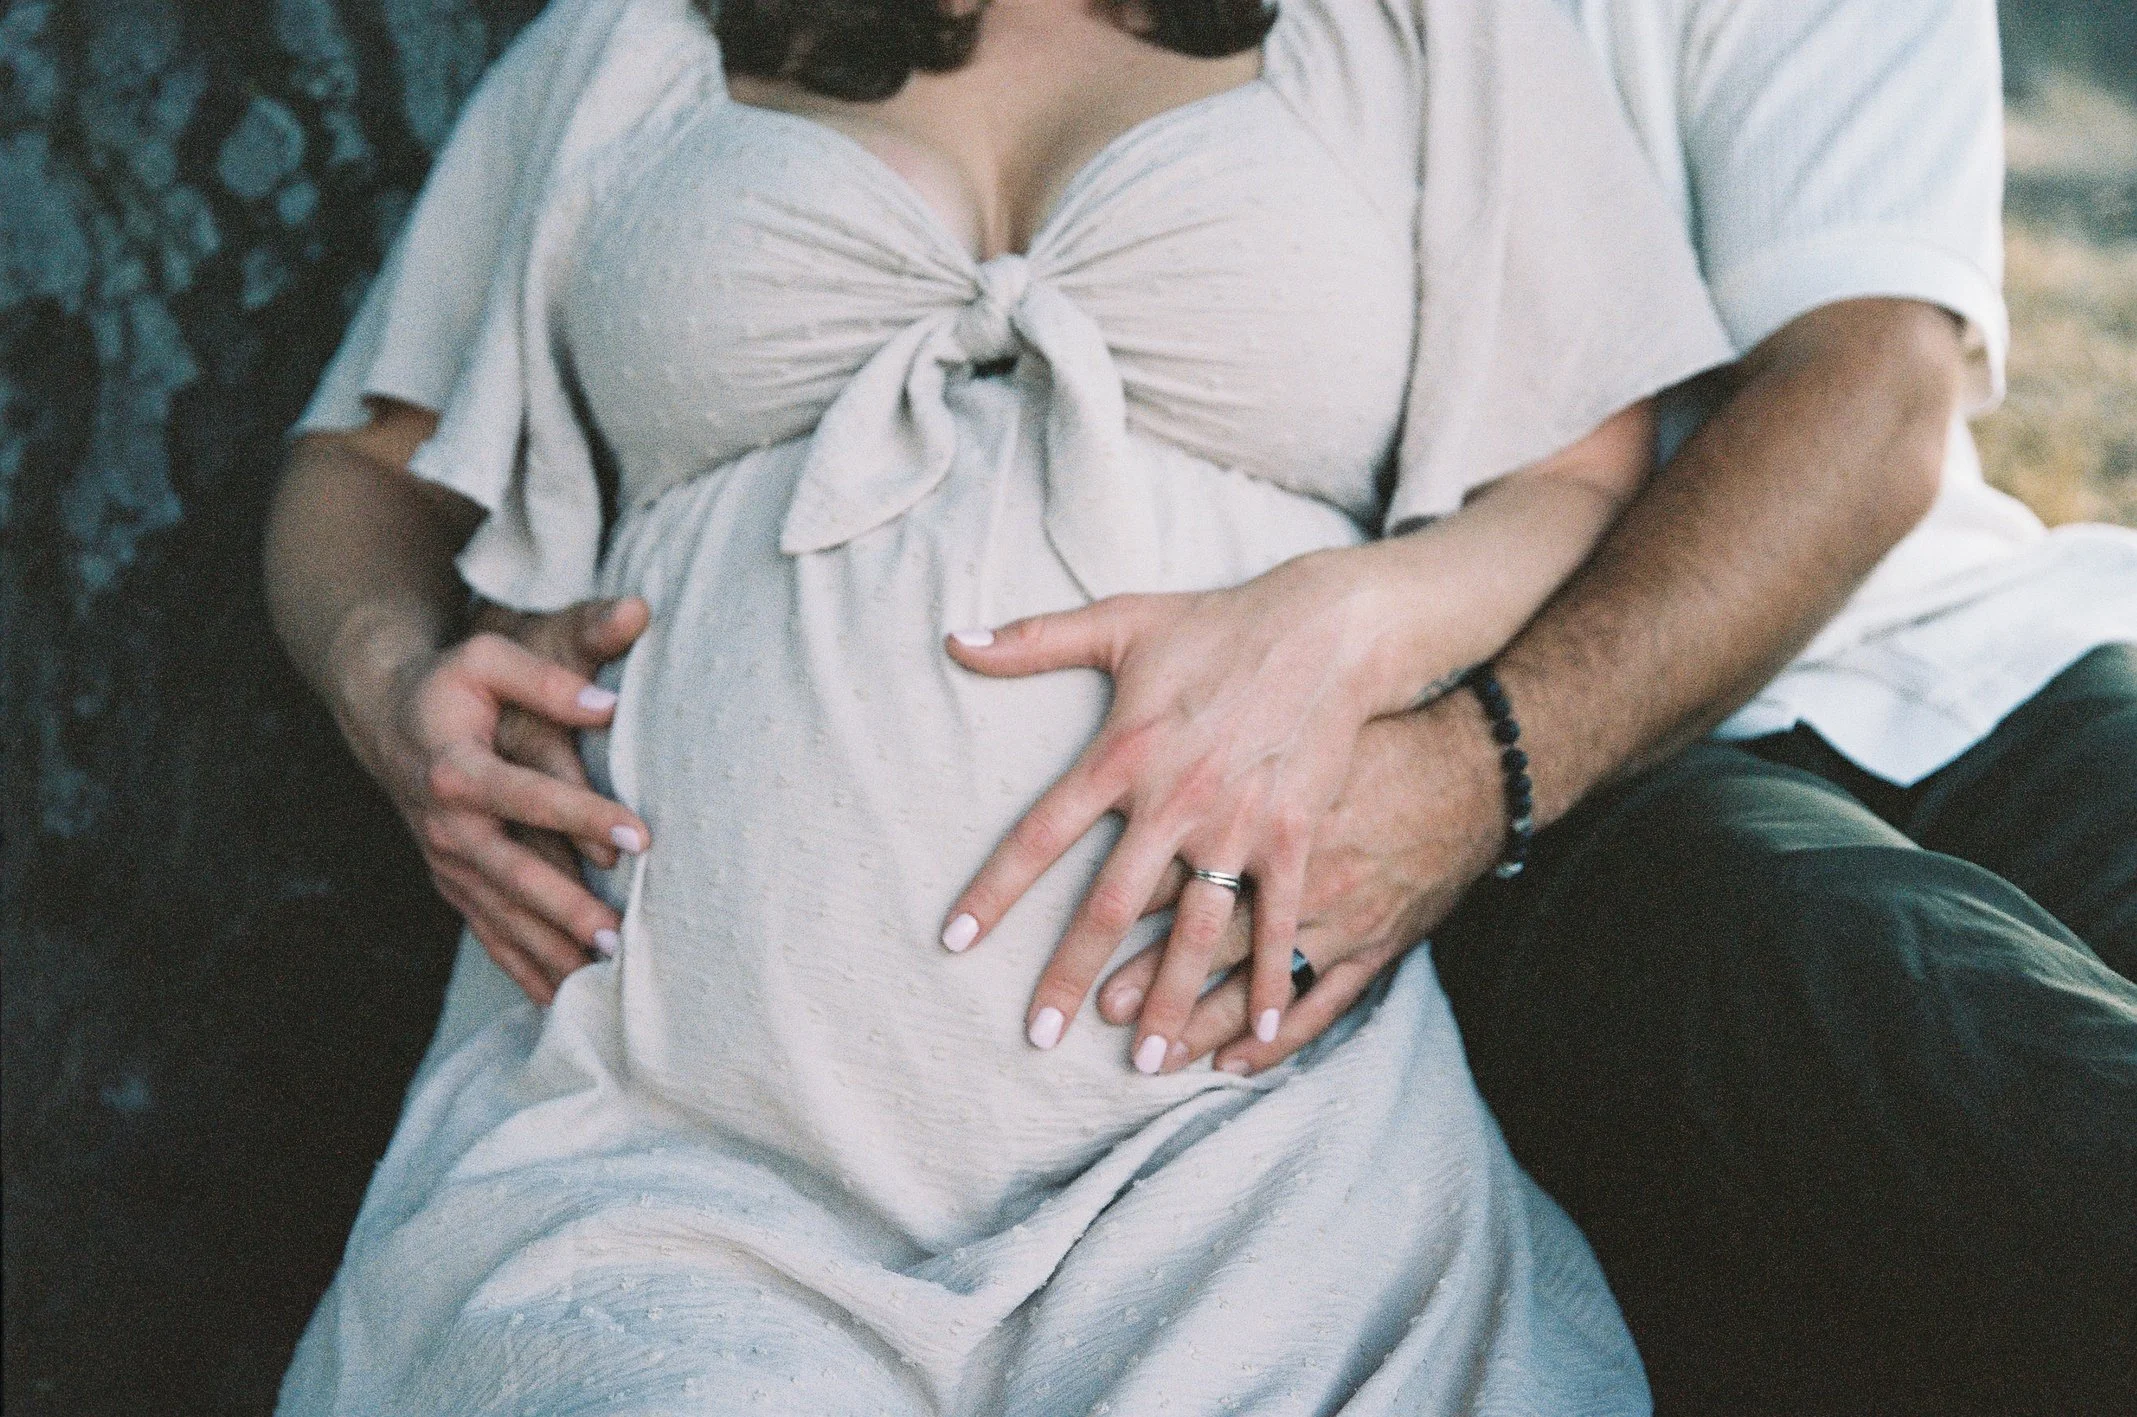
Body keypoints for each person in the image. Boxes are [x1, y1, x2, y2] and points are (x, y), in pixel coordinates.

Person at [264, 0, 1744, 1409]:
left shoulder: (1416, 28)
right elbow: (362, 468)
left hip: (1248, 1140)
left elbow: (1578, 475)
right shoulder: (636, 39)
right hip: (657, 1124)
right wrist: (388, 680)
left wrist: (1351, 625)